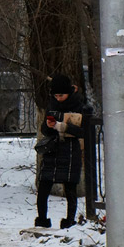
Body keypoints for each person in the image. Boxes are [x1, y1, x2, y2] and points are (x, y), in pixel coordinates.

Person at [35, 73, 90, 229]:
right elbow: (45, 130)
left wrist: (64, 127)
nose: (58, 98)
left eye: (61, 95)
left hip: (71, 151)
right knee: (44, 185)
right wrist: (48, 126)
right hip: (53, 150)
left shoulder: (79, 106)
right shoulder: (52, 104)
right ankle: (42, 219)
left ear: (68, 92)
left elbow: (84, 131)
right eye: (55, 95)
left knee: (70, 187)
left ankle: (69, 220)